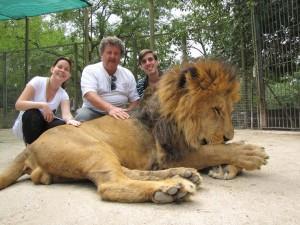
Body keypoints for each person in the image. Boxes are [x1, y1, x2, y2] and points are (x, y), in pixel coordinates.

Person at [12, 57, 81, 145]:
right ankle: (31, 148)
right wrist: (42, 105)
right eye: (60, 67)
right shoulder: (37, 81)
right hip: (28, 125)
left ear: (68, 75)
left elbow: (66, 114)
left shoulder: (63, 94)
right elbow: (18, 104)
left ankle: (46, 150)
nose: (62, 70)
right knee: (32, 114)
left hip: (44, 125)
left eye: (66, 69)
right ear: (52, 69)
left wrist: (70, 120)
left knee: (62, 125)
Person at [75, 36, 139, 121]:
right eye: (109, 52)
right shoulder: (90, 70)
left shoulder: (128, 74)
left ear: (120, 57)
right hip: (93, 112)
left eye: (116, 53)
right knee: (82, 116)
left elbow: (135, 100)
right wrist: (110, 108)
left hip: (120, 113)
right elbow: (89, 95)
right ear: (101, 54)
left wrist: (128, 111)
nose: (112, 56)